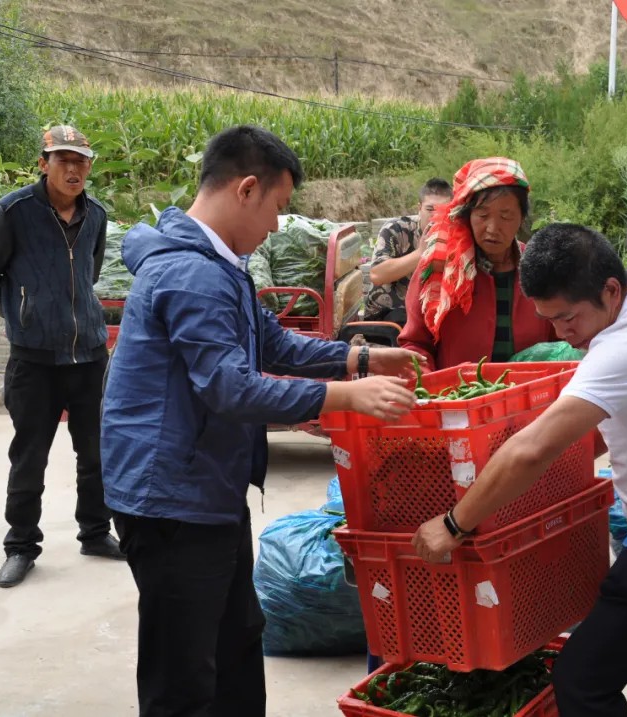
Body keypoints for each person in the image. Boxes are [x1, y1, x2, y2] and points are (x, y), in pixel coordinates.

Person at [100, 125, 421, 717]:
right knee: (184, 675)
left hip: (207, 489)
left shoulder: (220, 264)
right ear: (246, 189)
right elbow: (229, 387)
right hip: (171, 498)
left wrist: (360, 358)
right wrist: (344, 397)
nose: (276, 225)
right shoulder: (193, 273)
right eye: (278, 206)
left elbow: (270, 342)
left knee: (237, 642)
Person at [412, 223, 627, 717]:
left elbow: (531, 450)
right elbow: (613, 427)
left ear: (610, 291)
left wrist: (453, 524)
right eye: (548, 319)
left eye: (568, 317)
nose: (560, 333)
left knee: (581, 679)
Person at [0, 125, 123, 589]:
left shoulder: (96, 214)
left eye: (81, 161)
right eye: (63, 160)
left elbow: (90, 273)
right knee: (30, 457)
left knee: (95, 452)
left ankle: (95, 532)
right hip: (33, 361)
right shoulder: (13, 212)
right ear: (44, 164)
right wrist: (20, 313)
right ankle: (20, 547)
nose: (74, 169)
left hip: (89, 355)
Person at [397, 157, 556, 370]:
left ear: (521, 218)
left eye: (506, 216)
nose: (492, 228)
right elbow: (415, 344)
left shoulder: (540, 267)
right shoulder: (441, 266)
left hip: (532, 388)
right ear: (467, 216)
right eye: (483, 215)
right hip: (456, 389)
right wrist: (428, 380)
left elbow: (563, 335)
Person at [364, 178, 452, 324]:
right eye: (430, 209)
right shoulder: (396, 229)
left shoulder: (458, 233)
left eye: (443, 210)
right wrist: (420, 253)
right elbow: (377, 275)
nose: (436, 216)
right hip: (391, 312)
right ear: (419, 208)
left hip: (435, 309)